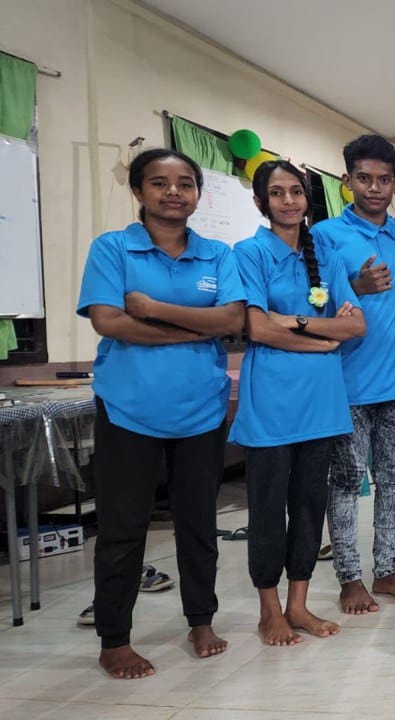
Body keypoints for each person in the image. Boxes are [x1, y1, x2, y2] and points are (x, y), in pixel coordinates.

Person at [77, 148, 245, 678]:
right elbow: (108, 321)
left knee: (198, 526)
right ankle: (115, 638)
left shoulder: (218, 255)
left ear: (197, 194)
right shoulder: (113, 249)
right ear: (139, 192)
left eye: (184, 184)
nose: (173, 192)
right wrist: (195, 326)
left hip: (200, 410)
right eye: (159, 183)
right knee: (124, 527)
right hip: (129, 410)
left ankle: (201, 620)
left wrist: (151, 309)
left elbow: (233, 318)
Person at [230, 161, 366, 646]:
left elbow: (356, 326)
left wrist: (298, 324)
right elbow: (258, 328)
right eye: (277, 193)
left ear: (308, 199)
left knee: (310, 507)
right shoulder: (248, 253)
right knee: (268, 510)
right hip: (271, 405)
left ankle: (299, 605)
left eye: (296, 192)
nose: (288, 201)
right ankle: (269, 610)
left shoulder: (324, 252)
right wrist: (321, 341)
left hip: (321, 405)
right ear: (261, 202)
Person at [312, 134, 395, 615]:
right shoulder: (324, 235)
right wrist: (353, 285)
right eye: (364, 179)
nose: (374, 188)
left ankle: (385, 570)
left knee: (394, 480)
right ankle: (349, 577)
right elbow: (310, 301)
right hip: (347, 379)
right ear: (346, 182)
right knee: (345, 480)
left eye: (383, 180)